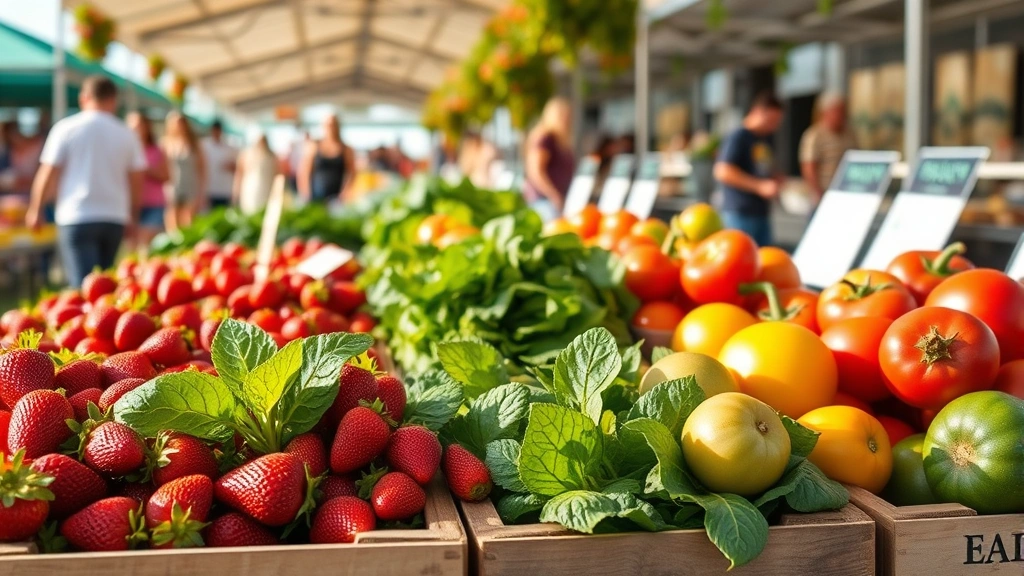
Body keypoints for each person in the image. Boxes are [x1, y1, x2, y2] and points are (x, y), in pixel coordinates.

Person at [26, 75, 145, 288]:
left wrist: (36, 208)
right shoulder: (127, 134)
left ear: (84, 98)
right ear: (113, 100)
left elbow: (47, 172)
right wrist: (133, 216)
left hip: (76, 216)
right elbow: (136, 180)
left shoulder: (66, 128)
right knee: (106, 287)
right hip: (114, 216)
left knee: (83, 289)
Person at [713, 91, 785, 247]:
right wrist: (759, 186)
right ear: (757, 112)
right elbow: (722, 170)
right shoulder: (738, 136)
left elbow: (759, 168)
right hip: (739, 213)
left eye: (777, 121)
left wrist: (774, 178)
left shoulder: (765, 138)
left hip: (762, 212)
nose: (774, 126)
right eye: (771, 120)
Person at [524, 97, 575, 220]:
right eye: (562, 116)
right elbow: (535, 172)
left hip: (553, 200)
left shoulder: (559, 140)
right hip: (544, 201)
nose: (566, 120)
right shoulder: (545, 139)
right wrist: (554, 195)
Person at [800, 92, 856, 202]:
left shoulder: (850, 133)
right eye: (838, 111)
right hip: (824, 193)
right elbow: (808, 166)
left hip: (847, 193)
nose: (843, 115)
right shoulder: (814, 135)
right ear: (826, 112)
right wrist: (817, 191)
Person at [126, 112, 168, 252]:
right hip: (131, 204)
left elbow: (167, 175)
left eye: (139, 126)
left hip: (153, 203)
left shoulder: (157, 150)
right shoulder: (125, 151)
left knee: (146, 245)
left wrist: (146, 170)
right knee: (132, 246)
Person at [162, 112, 206, 232]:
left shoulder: (194, 144)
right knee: (172, 219)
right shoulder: (166, 143)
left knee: (189, 219)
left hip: (190, 184)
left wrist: (202, 191)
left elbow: (202, 168)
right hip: (172, 184)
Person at [298, 114, 355, 203]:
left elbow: (351, 173)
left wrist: (345, 192)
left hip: (337, 199)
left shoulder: (346, 149)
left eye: (333, 125)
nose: (330, 128)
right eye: (327, 125)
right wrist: (305, 193)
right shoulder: (314, 146)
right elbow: (304, 172)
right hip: (315, 196)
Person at [234, 135, 278, 216]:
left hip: (266, 188)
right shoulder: (247, 154)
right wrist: (236, 190)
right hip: (249, 187)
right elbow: (240, 172)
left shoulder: (271, 156)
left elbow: (276, 174)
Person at [202, 120, 236, 210]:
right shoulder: (204, 146)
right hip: (209, 190)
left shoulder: (229, 148)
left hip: (225, 190)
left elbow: (235, 167)